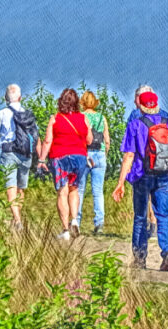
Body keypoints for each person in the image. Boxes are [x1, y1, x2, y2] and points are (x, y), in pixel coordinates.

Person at [112, 90, 168, 271]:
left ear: (141, 106)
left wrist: (121, 182)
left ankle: (140, 258)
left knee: (139, 218)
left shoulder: (135, 125)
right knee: (162, 216)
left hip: (141, 175)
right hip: (164, 175)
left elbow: (129, 155)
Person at [0, 84, 42, 228]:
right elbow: (37, 137)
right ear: (20, 98)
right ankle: (17, 218)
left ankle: (17, 220)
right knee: (20, 189)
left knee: (11, 187)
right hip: (26, 154)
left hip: (9, 152)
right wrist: (41, 158)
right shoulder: (28, 114)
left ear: (6, 98)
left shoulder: (2, 113)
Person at [38, 88, 92, 240]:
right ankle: (75, 219)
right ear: (76, 103)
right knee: (74, 189)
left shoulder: (55, 118)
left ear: (61, 102)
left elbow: (48, 141)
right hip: (79, 157)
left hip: (60, 158)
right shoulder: (83, 118)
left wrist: (41, 160)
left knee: (62, 192)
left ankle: (65, 230)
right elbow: (89, 140)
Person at [73, 90, 110, 235]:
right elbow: (107, 140)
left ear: (82, 102)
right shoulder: (102, 118)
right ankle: (99, 223)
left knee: (79, 190)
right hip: (100, 154)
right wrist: (104, 153)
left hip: (84, 153)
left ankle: (76, 220)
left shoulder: (81, 117)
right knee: (98, 191)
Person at [129, 84, 159, 237]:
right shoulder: (163, 114)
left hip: (141, 164)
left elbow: (130, 142)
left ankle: (144, 228)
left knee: (143, 197)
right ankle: (154, 222)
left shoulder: (135, 115)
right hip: (160, 162)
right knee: (156, 194)